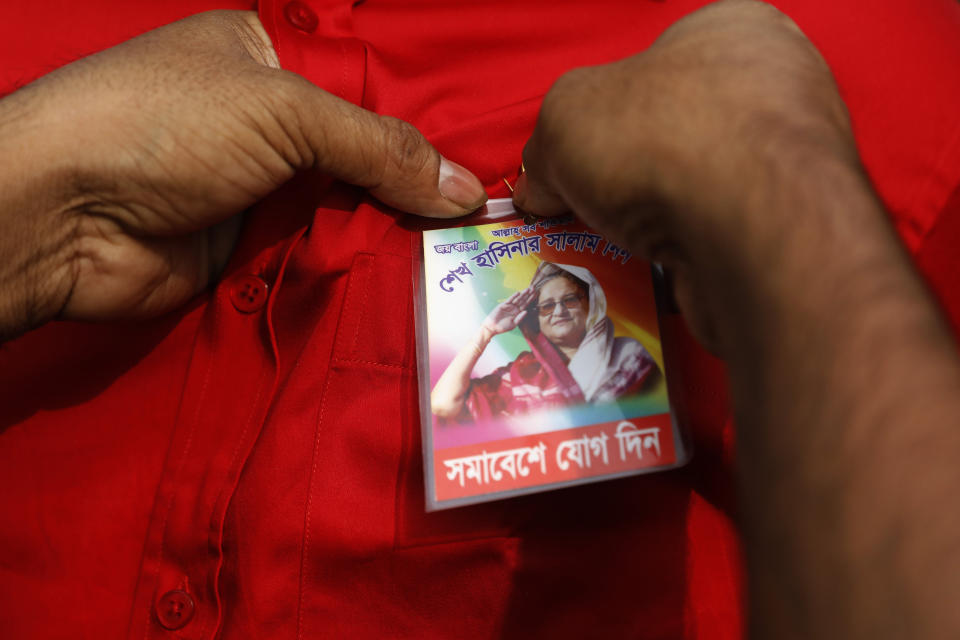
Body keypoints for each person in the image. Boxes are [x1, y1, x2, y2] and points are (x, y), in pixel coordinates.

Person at [2, 1, 960, 638]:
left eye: (559, 297)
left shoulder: (879, 82)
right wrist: (30, 186)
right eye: (537, 298)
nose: (546, 304)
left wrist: (779, 189)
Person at [431, 261, 658, 421]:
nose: (558, 311)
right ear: (535, 318)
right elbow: (443, 404)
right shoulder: (522, 373)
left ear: (592, 305)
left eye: (569, 300)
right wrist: (486, 331)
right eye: (547, 306)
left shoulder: (626, 355)